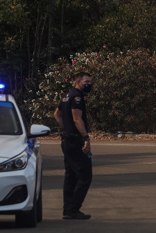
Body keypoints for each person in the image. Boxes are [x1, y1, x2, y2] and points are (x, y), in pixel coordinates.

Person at [54, 72, 94, 220]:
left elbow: (57, 115)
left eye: (90, 81)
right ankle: (73, 208)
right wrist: (85, 138)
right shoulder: (77, 97)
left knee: (70, 176)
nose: (89, 84)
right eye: (86, 81)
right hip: (75, 141)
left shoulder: (67, 96)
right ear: (77, 81)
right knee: (85, 176)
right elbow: (77, 119)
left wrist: (66, 129)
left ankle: (68, 210)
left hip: (67, 140)